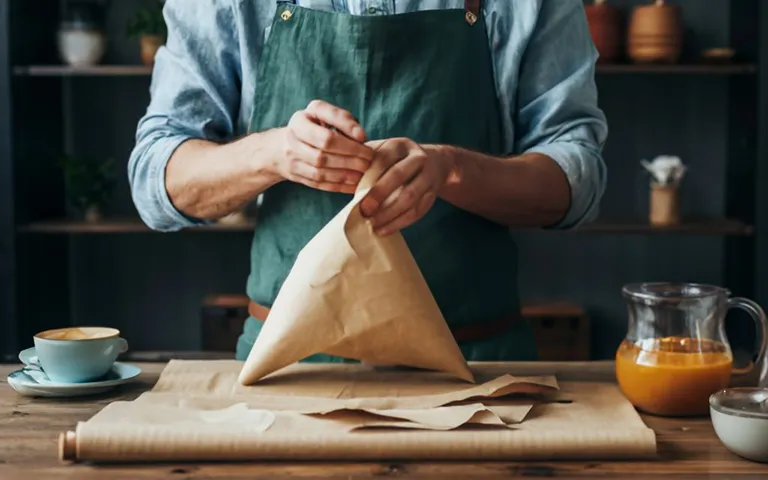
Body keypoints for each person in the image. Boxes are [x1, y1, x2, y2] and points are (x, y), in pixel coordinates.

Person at [128, 0, 608, 363]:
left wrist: (453, 168)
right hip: (287, 372)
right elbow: (159, 181)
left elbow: (575, 183)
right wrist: (274, 153)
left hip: (478, 373)